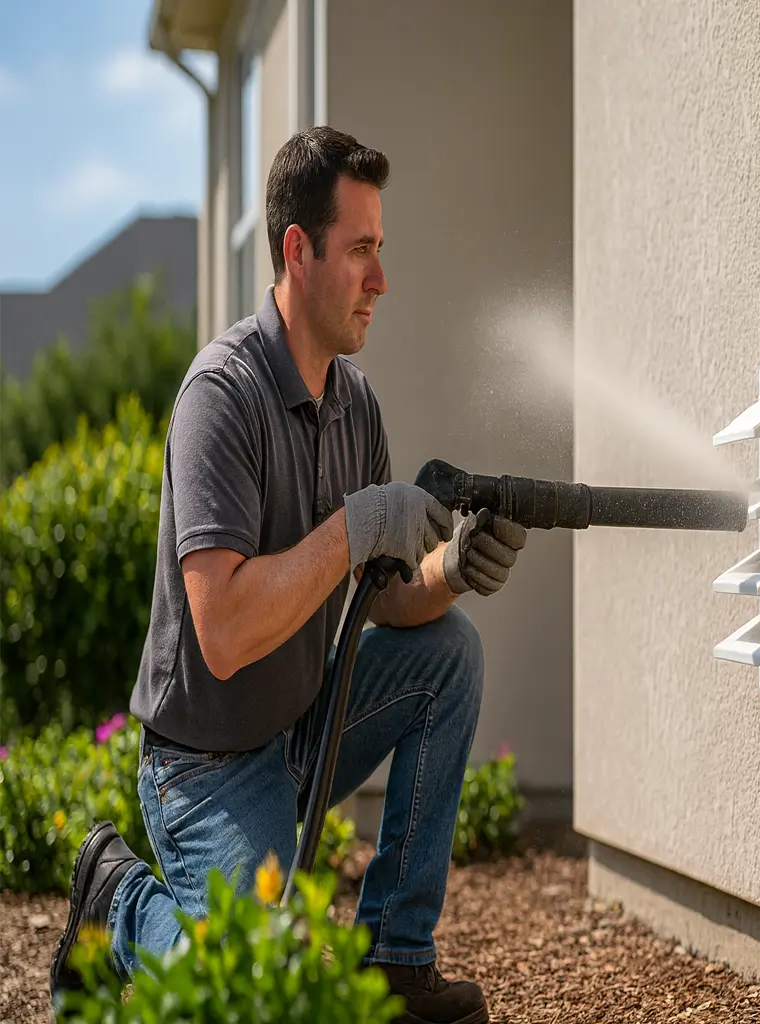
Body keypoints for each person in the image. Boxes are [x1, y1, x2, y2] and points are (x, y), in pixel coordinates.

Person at [49, 126, 526, 1024]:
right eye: (361, 252)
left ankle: (397, 961)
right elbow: (222, 633)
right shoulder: (219, 399)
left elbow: (380, 598)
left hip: (305, 729)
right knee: (256, 996)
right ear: (297, 251)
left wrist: (451, 571)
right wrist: (353, 528)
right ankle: (118, 899)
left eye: (381, 251)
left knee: (448, 653)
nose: (381, 279)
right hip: (206, 766)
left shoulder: (354, 401)